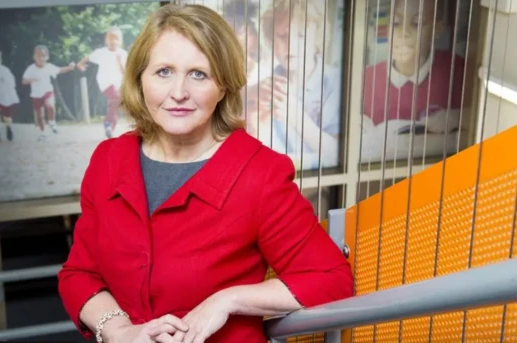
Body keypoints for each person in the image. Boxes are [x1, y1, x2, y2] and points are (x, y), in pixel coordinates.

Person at [58, 4, 353, 343]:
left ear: (224, 86)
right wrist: (120, 331)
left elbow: (330, 278)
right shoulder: (108, 160)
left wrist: (231, 300)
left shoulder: (259, 174)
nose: (179, 92)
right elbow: (80, 273)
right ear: (140, 79)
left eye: (199, 74)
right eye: (164, 72)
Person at [249, 0, 342, 169]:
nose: (291, 46)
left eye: (300, 36)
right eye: (282, 36)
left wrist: (297, 119)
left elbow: (340, 154)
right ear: (270, 39)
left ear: (318, 38)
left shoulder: (337, 83)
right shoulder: (264, 82)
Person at [362, 0, 465, 139]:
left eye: (416, 24)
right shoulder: (367, 78)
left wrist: (458, 116)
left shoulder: (458, 70)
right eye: (396, 23)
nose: (403, 33)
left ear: (437, 30)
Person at [77, 27, 128, 139]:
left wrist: (119, 63)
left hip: (118, 84)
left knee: (114, 105)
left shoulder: (123, 54)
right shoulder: (101, 52)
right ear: (106, 40)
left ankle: (110, 130)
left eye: (116, 38)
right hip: (105, 83)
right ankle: (107, 123)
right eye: (110, 38)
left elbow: (125, 73)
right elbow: (87, 58)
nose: (113, 41)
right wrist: (80, 65)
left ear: (121, 41)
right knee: (115, 97)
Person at [22, 45, 75, 141]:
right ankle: (42, 134)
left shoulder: (49, 67)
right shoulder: (31, 68)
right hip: (36, 94)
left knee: (50, 106)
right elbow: (23, 81)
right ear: (34, 57)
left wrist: (70, 68)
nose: (40, 58)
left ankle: (52, 122)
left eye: (43, 56)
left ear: (47, 57)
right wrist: (31, 80)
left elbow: (60, 70)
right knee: (39, 116)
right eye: (38, 56)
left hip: (47, 91)